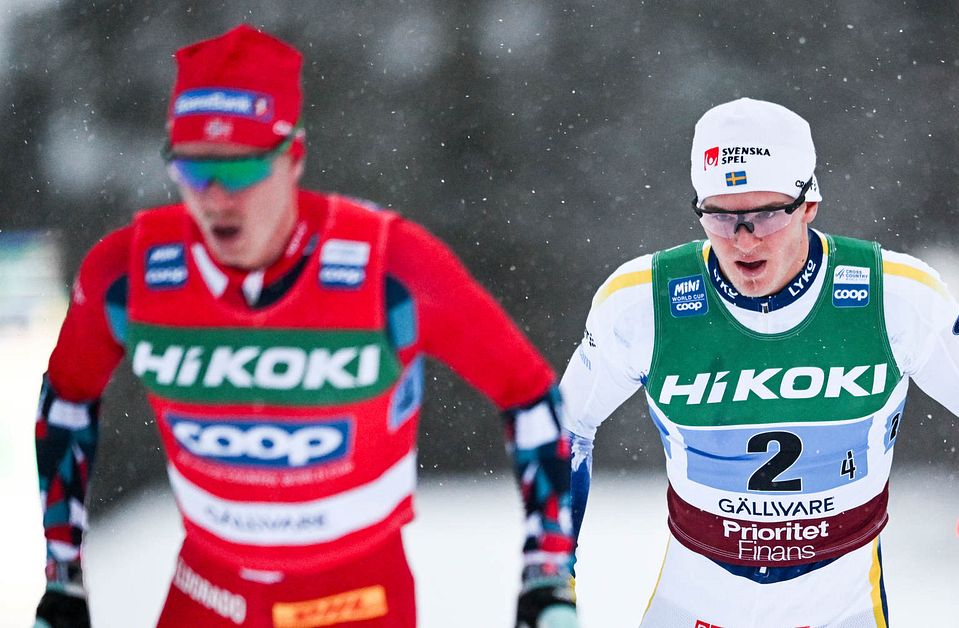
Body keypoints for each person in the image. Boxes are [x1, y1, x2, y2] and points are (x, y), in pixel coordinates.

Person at [33, 24, 577, 628]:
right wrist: (63, 577)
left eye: (240, 171)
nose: (215, 198)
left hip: (354, 597)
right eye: (193, 170)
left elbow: (527, 393)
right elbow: (68, 399)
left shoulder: (391, 264)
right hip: (209, 592)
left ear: (293, 157)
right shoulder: (128, 272)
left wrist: (545, 574)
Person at [560, 98, 959, 627]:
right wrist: (555, 570)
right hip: (696, 603)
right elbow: (567, 429)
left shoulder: (897, 295)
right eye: (720, 216)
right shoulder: (641, 302)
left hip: (841, 607)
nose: (743, 239)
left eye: (765, 215)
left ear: (808, 203)